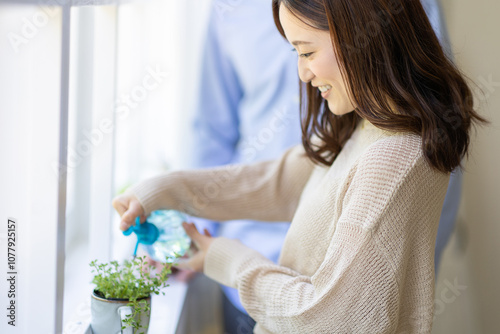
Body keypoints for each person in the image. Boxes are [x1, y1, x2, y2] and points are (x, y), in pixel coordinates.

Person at [113, 0, 486, 332]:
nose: (303, 74)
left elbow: (327, 320)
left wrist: (224, 259)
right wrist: (166, 190)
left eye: (306, 52)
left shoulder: (392, 160)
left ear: (361, 37)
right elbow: (274, 182)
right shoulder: (366, 127)